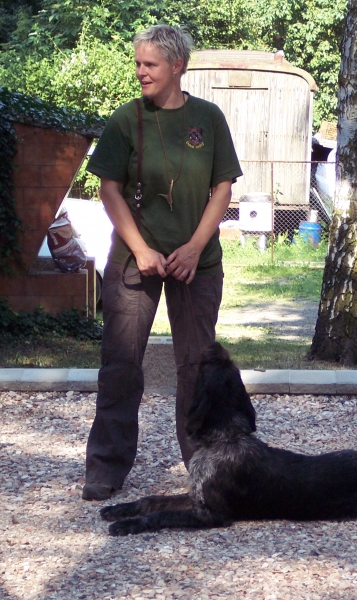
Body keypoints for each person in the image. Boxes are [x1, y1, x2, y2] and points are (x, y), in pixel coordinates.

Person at [82, 24, 242, 501]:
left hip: (198, 263)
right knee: (121, 364)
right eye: (137, 63)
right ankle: (105, 467)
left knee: (196, 366)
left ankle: (204, 469)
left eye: (149, 64)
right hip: (136, 258)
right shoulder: (125, 119)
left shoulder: (208, 118)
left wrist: (194, 247)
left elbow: (222, 189)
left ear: (177, 66)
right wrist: (140, 248)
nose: (140, 72)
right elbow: (109, 189)